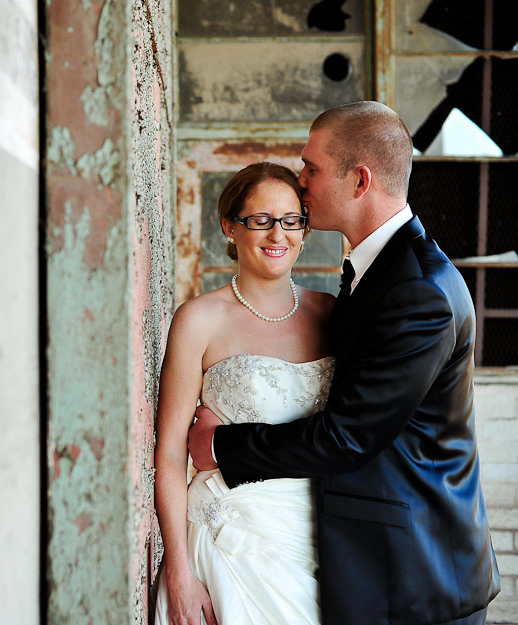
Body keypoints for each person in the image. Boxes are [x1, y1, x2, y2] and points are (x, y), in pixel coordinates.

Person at [188, 101, 500, 625]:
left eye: (311, 168)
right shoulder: (376, 271)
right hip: (357, 561)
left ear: (359, 181)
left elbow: (350, 435)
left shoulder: (417, 289)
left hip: (417, 580)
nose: (301, 181)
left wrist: (221, 445)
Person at [154, 162, 335, 625]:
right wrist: (178, 571)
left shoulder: (332, 314)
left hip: (319, 533)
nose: (279, 235)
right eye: (260, 220)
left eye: (292, 220)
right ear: (230, 228)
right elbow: (171, 454)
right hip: (228, 543)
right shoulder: (198, 320)